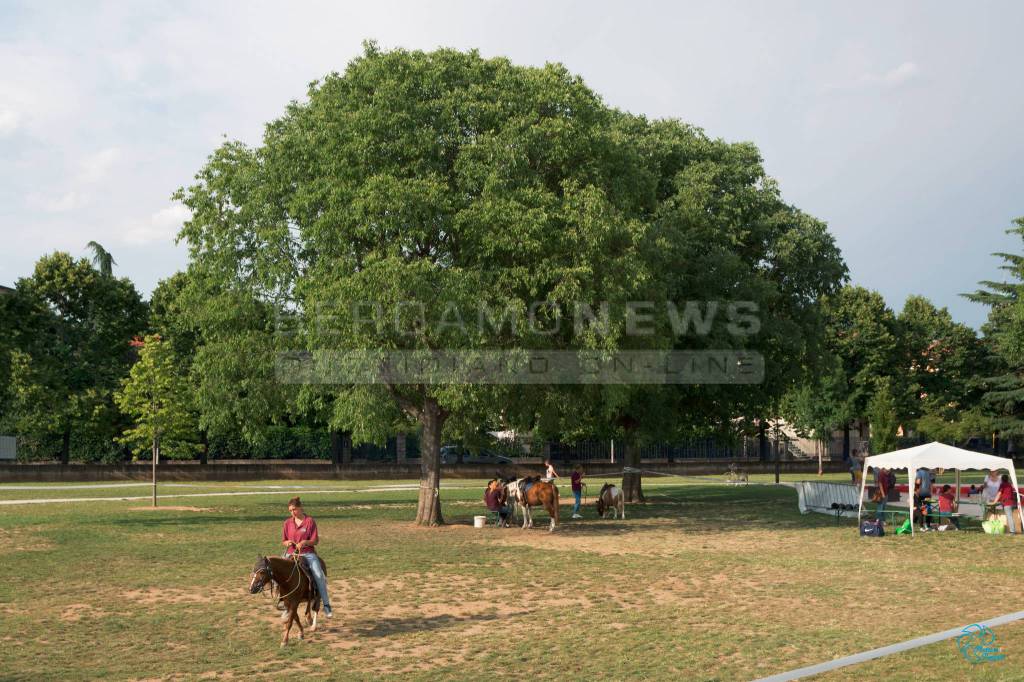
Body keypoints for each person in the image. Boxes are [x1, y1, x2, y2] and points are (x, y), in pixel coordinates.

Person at [281, 496, 332, 618]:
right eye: (290, 510)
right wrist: (287, 542)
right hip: (291, 553)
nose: (292, 512)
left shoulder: (310, 521)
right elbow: (283, 540)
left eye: (294, 509)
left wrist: (304, 542)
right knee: (277, 572)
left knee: (319, 575)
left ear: (300, 508)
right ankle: (284, 603)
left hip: (307, 553)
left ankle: (326, 605)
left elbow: (315, 541)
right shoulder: (287, 523)